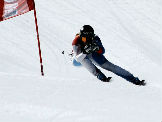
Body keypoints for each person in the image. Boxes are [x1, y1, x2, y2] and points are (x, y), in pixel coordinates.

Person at [72, 25, 145, 85]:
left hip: (92, 54)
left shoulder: (95, 38)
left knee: (111, 66)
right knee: (82, 60)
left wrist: (97, 48)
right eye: (83, 38)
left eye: (86, 38)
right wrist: (84, 52)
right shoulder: (76, 41)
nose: (85, 40)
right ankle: (99, 75)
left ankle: (133, 79)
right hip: (80, 55)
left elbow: (102, 51)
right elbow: (77, 59)